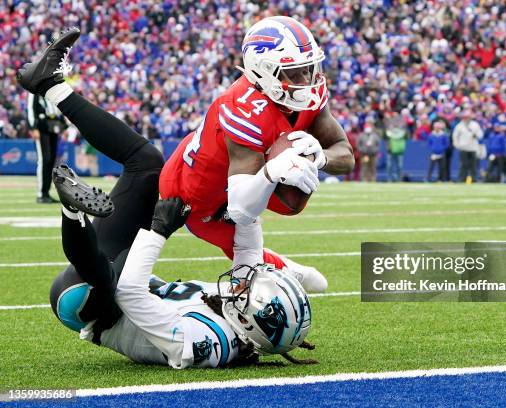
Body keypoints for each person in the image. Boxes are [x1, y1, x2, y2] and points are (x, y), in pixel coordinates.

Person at [17, 28, 313, 369]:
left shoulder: (206, 343)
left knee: (102, 278)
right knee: (146, 163)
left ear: (248, 323)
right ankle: (51, 85)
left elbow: (130, 294)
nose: (242, 286)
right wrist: (248, 198)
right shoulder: (243, 319)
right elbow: (247, 254)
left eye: (248, 295)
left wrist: (159, 230)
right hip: (121, 266)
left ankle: (72, 212)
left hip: (91, 305)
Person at [159, 16, 354, 292]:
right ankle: (280, 269)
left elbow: (345, 153)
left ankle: (275, 269)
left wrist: (321, 157)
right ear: (264, 71)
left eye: (309, 68)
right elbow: (240, 208)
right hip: (198, 195)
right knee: (252, 268)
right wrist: (273, 171)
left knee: (287, 251)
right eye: (295, 72)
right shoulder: (242, 107)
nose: (306, 79)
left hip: (243, 174)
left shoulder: (309, 91)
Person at [27, 89, 67, 203]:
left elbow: (57, 108)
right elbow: (30, 108)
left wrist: (63, 126)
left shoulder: (50, 89)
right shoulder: (34, 89)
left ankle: (46, 193)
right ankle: (41, 194)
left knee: (51, 160)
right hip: (41, 126)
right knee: (44, 159)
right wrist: (33, 127)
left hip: (53, 125)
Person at [452, 110, 483, 182]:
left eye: (467, 117)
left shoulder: (475, 125)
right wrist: (457, 146)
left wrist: (476, 135)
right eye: (465, 117)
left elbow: (480, 135)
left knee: (473, 165)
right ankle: (461, 179)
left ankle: (474, 179)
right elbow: (455, 137)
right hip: (463, 148)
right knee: (463, 165)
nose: (466, 119)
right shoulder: (459, 126)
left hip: (473, 148)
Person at [384, 111, 407, 182]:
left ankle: (399, 180)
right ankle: (389, 179)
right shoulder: (388, 127)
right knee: (389, 166)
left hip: (399, 150)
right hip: (390, 150)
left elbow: (406, 136)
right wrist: (388, 147)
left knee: (399, 166)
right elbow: (385, 137)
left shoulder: (403, 127)